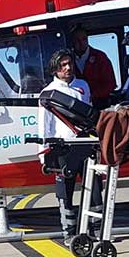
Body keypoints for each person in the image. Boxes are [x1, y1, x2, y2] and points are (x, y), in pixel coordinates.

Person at [36, 49, 94, 246]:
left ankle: (94, 229)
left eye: (69, 63)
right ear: (55, 69)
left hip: (85, 144)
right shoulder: (48, 92)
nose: (68, 68)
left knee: (94, 187)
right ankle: (68, 231)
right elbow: (45, 126)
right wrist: (44, 155)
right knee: (65, 191)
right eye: (62, 65)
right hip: (63, 147)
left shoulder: (83, 85)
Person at [71, 26, 117, 109]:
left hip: (100, 103)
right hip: (76, 104)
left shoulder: (100, 57)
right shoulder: (68, 59)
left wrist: (93, 95)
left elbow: (111, 84)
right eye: (77, 40)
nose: (81, 43)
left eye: (84, 39)